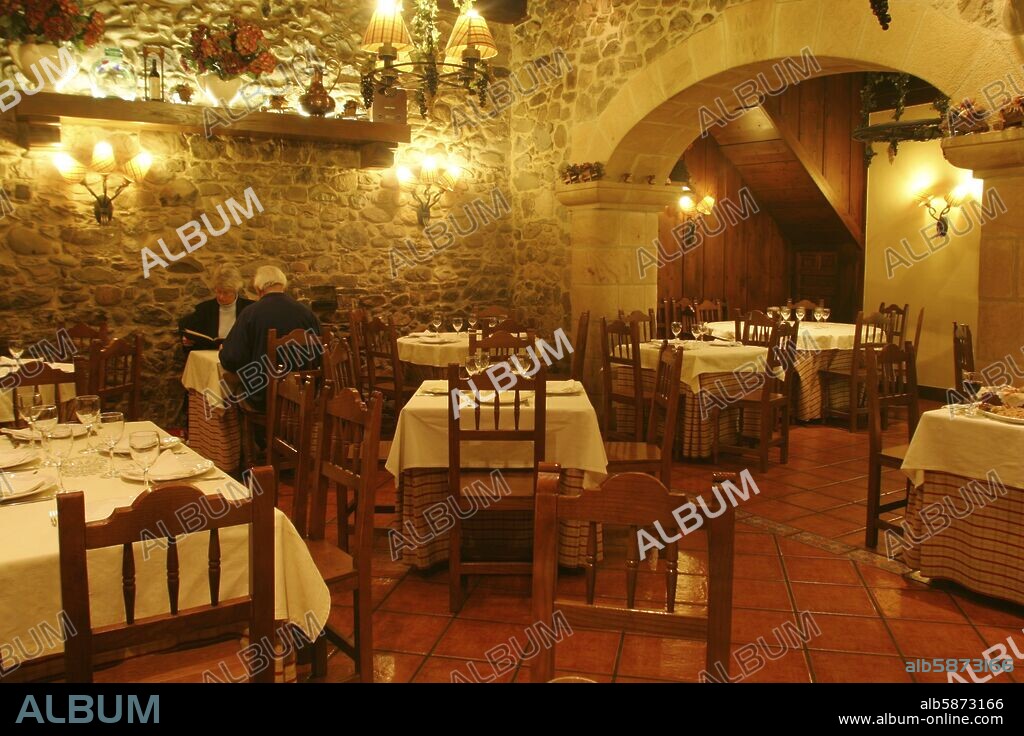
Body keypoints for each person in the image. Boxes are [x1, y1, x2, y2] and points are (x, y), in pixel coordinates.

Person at [219, 265, 321, 411]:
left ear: (259, 290)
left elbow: (232, 359)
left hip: (263, 398)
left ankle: (248, 434)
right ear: (283, 285)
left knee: (235, 391)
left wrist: (223, 350)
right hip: (304, 394)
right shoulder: (307, 313)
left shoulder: (251, 313)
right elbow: (318, 355)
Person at [178, 265, 255, 352]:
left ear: (235, 290)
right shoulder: (205, 309)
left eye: (226, 292)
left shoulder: (249, 308)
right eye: (218, 291)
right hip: (210, 356)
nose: (221, 296)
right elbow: (185, 328)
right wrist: (187, 341)